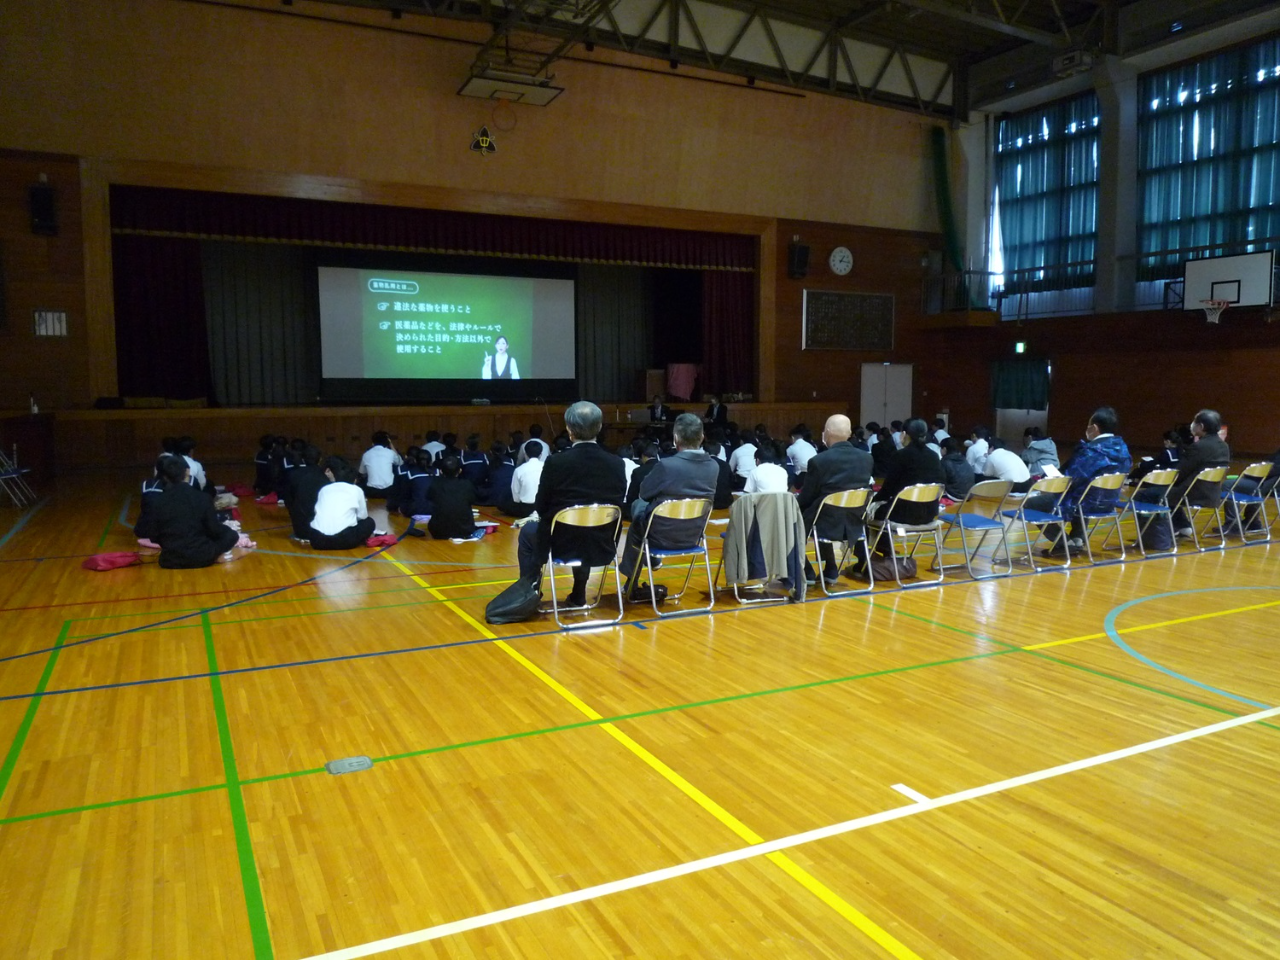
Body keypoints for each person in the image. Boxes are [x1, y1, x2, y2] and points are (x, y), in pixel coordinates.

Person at [516, 400, 626, 607]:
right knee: (584, 525)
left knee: (528, 533)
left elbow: (541, 506)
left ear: (569, 430)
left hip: (561, 544)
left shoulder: (556, 463)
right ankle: (578, 592)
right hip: (603, 541)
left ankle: (529, 591)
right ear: (600, 427)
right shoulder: (616, 463)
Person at [619, 412, 719, 598]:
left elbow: (644, 493)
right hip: (693, 535)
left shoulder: (667, 465)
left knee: (638, 508)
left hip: (660, 535)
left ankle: (633, 577)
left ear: (675, 439)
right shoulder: (714, 466)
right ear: (702, 438)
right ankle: (647, 563)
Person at [1024, 407, 1131, 554]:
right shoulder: (1124, 450)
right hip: (1108, 503)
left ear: (1094, 427)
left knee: (1030, 504)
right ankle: (1078, 539)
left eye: (1088, 425)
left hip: (1084, 504)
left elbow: (1070, 479)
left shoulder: (1090, 451)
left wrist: (1049, 482)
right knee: (1086, 491)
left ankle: (1064, 542)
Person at [797, 414, 873, 585]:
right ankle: (830, 568)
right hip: (855, 521)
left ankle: (806, 569)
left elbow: (807, 497)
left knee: (792, 517)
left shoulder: (819, 461)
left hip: (826, 522)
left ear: (828, 432)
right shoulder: (866, 458)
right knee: (827, 508)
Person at [861, 418, 946, 564]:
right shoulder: (933, 456)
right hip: (929, 513)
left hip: (904, 514)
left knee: (867, 512)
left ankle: (870, 557)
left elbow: (887, 490)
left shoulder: (900, 456)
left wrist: (871, 501)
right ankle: (885, 550)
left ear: (905, 434)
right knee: (883, 508)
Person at [148, 455, 243, 568]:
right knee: (231, 535)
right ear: (187, 472)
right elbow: (214, 529)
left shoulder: (157, 501)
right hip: (202, 556)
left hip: (170, 559)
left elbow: (153, 535)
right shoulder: (202, 497)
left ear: (165, 476)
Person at [1163, 408, 1230, 538]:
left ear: (1201, 426)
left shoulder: (1199, 447)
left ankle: (1162, 534)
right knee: (1170, 490)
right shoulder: (1224, 446)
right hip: (1213, 492)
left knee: (1156, 492)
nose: (1192, 424)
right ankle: (1182, 526)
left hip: (1195, 493)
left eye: (1194, 421)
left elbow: (1180, 472)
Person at [310, 456, 378, 550]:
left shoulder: (324, 489)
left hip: (317, 541)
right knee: (369, 522)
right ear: (354, 480)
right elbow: (362, 516)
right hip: (344, 540)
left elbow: (316, 511)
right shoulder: (356, 490)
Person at [426, 456, 479, 539]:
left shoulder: (435, 484)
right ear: (460, 471)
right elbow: (473, 500)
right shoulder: (467, 484)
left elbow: (429, 499)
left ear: (441, 471)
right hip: (465, 530)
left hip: (438, 531)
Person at [287, 445, 329, 542]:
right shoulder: (325, 476)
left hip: (300, 526)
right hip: (323, 527)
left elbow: (288, 501)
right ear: (320, 459)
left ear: (303, 459)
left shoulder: (293, 475)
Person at [500, 440, 544, 518]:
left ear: (525, 454)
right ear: (541, 455)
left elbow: (516, 497)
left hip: (526, 508)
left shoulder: (519, 470)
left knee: (502, 504)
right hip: (544, 507)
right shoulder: (547, 467)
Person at [358, 431, 401, 499]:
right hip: (389, 490)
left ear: (373, 442)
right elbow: (400, 462)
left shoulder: (366, 454)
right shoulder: (390, 453)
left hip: (371, 491)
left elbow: (362, 472)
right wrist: (391, 444)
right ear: (387, 442)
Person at [939, 436, 975, 503]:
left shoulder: (944, 462)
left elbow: (940, 482)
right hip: (969, 495)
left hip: (954, 496)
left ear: (944, 449)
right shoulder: (964, 459)